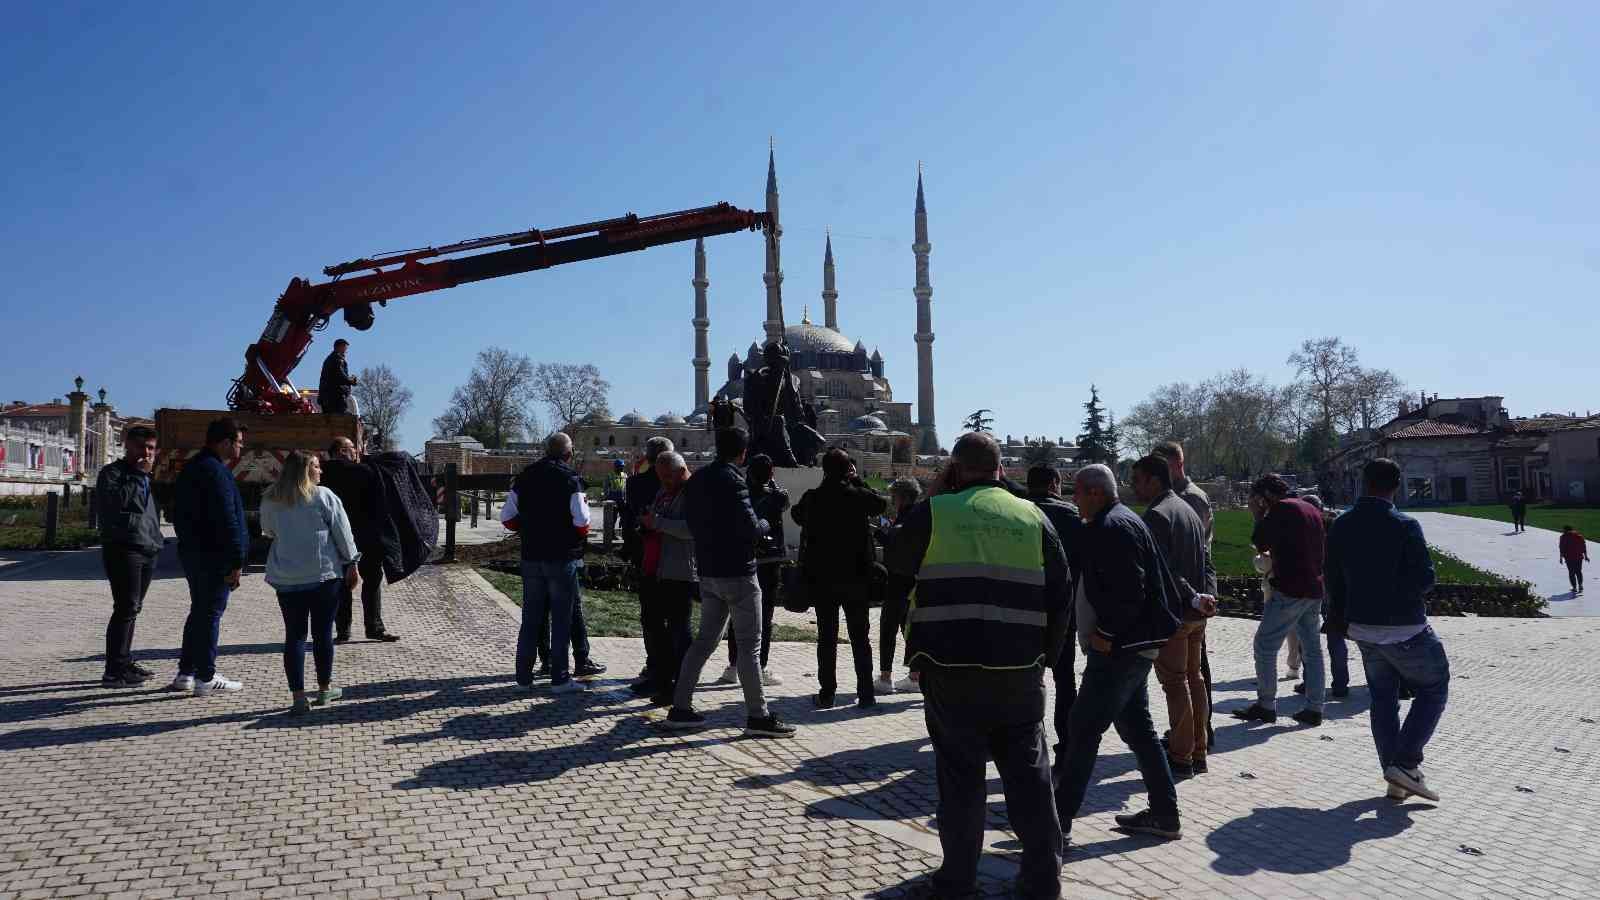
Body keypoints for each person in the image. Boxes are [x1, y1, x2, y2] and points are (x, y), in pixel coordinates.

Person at [890, 432, 1070, 897]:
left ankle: (957, 880)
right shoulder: (1034, 516)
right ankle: (1042, 881)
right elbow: (1061, 593)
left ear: (955, 468)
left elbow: (895, 574)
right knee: (1030, 779)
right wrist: (1045, 658)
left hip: (950, 668)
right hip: (1019, 671)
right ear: (1000, 468)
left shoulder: (933, 514)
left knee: (961, 778)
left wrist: (911, 651)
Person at [1054, 463, 1187, 843]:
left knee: (1083, 729)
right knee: (1138, 729)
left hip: (1121, 648)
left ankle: (1057, 821)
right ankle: (1164, 815)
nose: (1072, 499)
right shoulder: (1123, 520)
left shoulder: (1111, 527)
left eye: (1076, 492)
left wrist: (1107, 634)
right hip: (1138, 644)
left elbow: (1131, 590)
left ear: (1095, 492)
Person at [1326, 458, 1446, 802]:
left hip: (1361, 627)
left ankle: (1396, 778)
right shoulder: (1405, 525)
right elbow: (1425, 579)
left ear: (1363, 483)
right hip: (1404, 627)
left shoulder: (1342, 524)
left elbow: (1333, 578)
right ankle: (1406, 762)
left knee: (1383, 699)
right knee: (1434, 687)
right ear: (1397, 485)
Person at [664, 426, 795, 737]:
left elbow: (693, 523)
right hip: (739, 573)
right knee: (749, 647)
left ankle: (680, 707)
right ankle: (758, 716)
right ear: (742, 453)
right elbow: (752, 528)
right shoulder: (734, 481)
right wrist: (767, 518)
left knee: (704, 642)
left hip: (708, 572)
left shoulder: (697, 479)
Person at [1130, 456, 1218, 780]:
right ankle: (1198, 750)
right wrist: (1207, 596)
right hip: (1195, 613)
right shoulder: (1188, 511)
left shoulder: (1156, 515)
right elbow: (1207, 562)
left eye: (1137, 480)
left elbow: (1163, 570)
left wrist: (1192, 596)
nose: (1133, 486)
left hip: (1175, 613)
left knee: (1176, 683)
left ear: (1154, 480)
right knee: (1193, 680)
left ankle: (1181, 756)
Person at [260, 451, 359, 715]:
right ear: (305, 470)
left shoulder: (271, 497)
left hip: (287, 578)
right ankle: (325, 689)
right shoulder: (323, 495)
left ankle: (298, 697)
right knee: (322, 634)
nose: (320, 471)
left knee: (294, 635)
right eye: (316, 466)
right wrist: (352, 563)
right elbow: (343, 532)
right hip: (323, 576)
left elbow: (268, 531)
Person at [792, 448, 888, 708]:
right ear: (848, 469)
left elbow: (796, 515)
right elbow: (881, 504)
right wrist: (856, 480)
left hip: (823, 579)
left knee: (827, 637)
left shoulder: (814, 498)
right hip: (856, 578)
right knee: (860, 638)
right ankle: (866, 693)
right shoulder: (857, 495)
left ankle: (827, 693)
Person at [1233, 475, 1328, 727]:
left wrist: (1258, 514)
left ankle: (1265, 705)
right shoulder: (1309, 507)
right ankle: (1315, 707)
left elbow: (1260, 541)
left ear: (1266, 496)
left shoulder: (1282, 508)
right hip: (1314, 588)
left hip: (1290, 589)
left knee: (1264, 645)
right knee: (1312, 649)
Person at [501, 433, 592, 694]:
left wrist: (529, 528)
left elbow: (507, 518)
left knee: (531, 619)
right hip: (561, 556)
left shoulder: (525, 476)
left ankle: (523, 677)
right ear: (568, 453)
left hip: (531, 555)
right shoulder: (570, 479)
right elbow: (582, 522)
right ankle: (560, 678)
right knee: (561, 620)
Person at [169, 417, 250, 696]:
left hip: (194, 554)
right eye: (239, 443)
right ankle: (206, 676)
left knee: (199, 613)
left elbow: (176, 513)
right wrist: (236, 561)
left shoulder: (194, 467)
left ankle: (186, 673)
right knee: (210, 615)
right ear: (225, 442)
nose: (241, 448)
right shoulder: (216, 472)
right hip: (215, 558)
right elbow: (228, 520)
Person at [1152, 440, 1216, 747]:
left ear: (1177, 464)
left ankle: (1194, 738)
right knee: (1192, 675)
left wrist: (1199, 597)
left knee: (1188, 675)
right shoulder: (1181, 498)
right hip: (1194, 599)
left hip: (1187, 601)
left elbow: (1197, 556)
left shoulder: (1190, 499)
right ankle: (1195, 736)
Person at [96, 424, 163, 688]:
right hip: (123, 548)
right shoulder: (113, 474)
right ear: (127, 445)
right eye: (140, 447)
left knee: (133, 608)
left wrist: (156, 540)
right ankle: (113, 671)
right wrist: (138, 476)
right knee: (125, 608)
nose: (145, 454)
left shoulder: (144, 476)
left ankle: (123, 661)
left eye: (150, 449)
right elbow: (125, 505)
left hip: (146, 548)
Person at [1024, 465, 1082, 765]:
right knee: (1065, 679)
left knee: (1022, 680)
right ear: (1056, 485)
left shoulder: (1019, 513)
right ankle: (1068, 743)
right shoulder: (1072, 516)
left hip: (1023, 609)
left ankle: (1021, 744)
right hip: (1062, 609)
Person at [718, 453, 788, 687]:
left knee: (737, 613)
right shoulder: (777, 496)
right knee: (763, 617)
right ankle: (760, 666)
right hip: (769, 560)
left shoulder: (740, 494)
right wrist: (772, 482)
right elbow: (784, 501)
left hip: (743, 559)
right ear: (771, 474)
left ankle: (734, 666)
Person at [321, 437, 399, 643]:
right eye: (351, 448)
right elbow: (381, 502)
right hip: (366, 537)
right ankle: (374, 627)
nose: (355, 451)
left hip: (335, 538)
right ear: (340, 451)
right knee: (372, 580)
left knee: (342, 583)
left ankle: (343, 630)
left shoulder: (321, 473)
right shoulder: (364, 472)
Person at [634, 452, 697, 706]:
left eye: (668, 477)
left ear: (682, 470)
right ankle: (662, 682)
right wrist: (647, 523)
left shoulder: (693, 493)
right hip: (656, 571)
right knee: (656, 629)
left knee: (679, 632)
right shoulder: (663, 491)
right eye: (661, 477)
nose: (664, 482)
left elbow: (692, 529)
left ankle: (681, 688)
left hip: (679, 573)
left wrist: (658, 523)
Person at [622, 436, 673, 686]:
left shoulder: (635, 484)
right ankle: (672, 668)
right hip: (675, 557)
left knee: (651, 616)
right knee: (674, 617)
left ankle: (654, 665)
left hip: (646, 557)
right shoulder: (679, 484)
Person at [874, 476, 924, 696]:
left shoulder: (909, 517)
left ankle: (885, 678)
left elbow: (898, 542)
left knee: (888, 628)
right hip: (915, 581)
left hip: (899, 580)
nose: (892, 501)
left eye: (893, 496)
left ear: (901, 497)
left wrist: (877, 533)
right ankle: (915, 675)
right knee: (908, 629)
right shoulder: (921, 514)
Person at [318, 339, 358, 416]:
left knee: (333, 419)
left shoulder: (332, 358)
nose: (346, 351)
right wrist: (351, 381)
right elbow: (340, 375)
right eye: (345, 348)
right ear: (339, 347)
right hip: (334, 397)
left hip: (328, 397)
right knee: (341, 417)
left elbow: (337, 375)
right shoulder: (336, 359)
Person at [1560, 525, 1589, 594]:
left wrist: (1561, 558)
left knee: (1571, 572)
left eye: (1563, 530)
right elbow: (1583, 546)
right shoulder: (1579, 536)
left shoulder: (1563, 537)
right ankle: (1580, 585)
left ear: (1565, 530)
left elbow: (1561, 548)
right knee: (1578, 571)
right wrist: (1586, 556)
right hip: (1578, 557)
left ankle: (1574, 587)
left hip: (1569, 558)